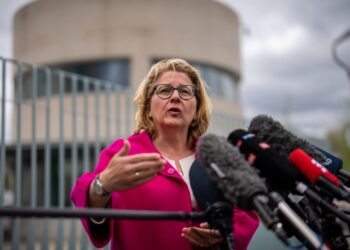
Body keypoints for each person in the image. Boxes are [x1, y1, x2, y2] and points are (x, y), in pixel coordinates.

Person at [71, 58, 259, 250]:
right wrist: (103, 186)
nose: (175, 97)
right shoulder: (123, 153)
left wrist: (224, 233)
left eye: (185, 92)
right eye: (165, 90)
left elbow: (246, 211)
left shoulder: (215, 156)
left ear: (196, 109)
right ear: (148, 108)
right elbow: (90, 202)